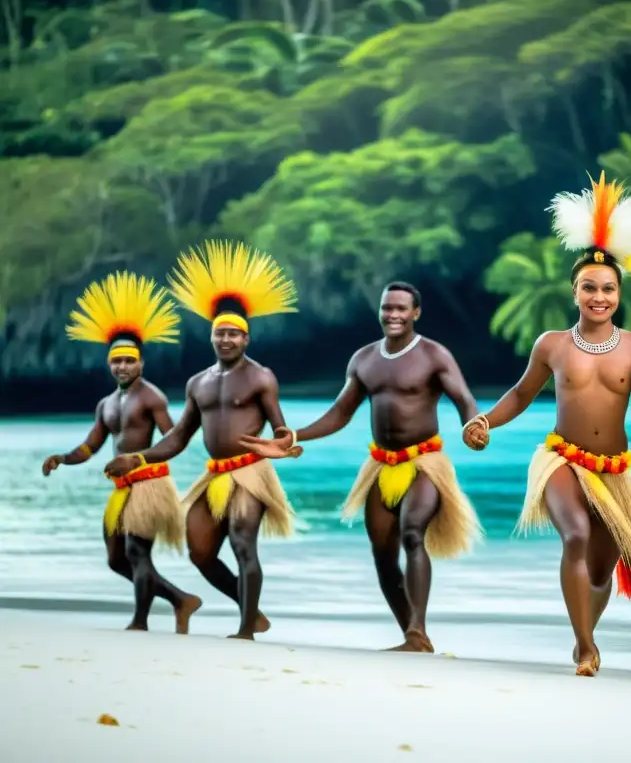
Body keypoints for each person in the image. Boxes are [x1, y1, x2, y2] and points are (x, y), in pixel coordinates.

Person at [462, 172, 631, 677]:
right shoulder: (552, 344)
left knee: (605, 565)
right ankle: (585, 645)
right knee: (575, 539)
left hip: (613, 469)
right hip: (560, 459)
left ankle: (586, 631)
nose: (599, 296)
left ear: (619, 293)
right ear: (575, 291)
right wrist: (483, 421)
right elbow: (522, 394)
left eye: (608, 288)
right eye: (589, 287)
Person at [238, 281, 484, 654]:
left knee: (413, 533)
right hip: (380, 466)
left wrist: (473, 425)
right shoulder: (364, 359)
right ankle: (412, 637)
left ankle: (418, 630)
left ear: (416, 313)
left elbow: (464, 398)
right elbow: (340, 413)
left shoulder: (434, 355)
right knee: (383, 555)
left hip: (424, 463)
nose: (394, 315)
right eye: (388, 308)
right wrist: (293, 437)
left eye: (402, 309)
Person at [104, 240, 301, 640]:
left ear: (246, 339)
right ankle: (253, 612)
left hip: (249, 472)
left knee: (244, 545)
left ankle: (246, 628)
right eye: (219, 334)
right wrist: (138, 459)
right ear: (211, 337)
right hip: (213, 477)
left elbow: (280, 428)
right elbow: (177, 437)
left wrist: (284, 442)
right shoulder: (199, 383)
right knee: (200, 553)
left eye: (233, 334)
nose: (225, 339)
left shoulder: (262, 377)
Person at [42, 271, 202, 634]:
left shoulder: (152, 397)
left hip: (149, 484)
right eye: (117, 361)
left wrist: (140, 458)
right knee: (116, 559)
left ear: (141, 363)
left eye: (129, 361)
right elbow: (92, 445)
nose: (123, 366)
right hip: (121, 489)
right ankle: (180, 600)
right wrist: (64, 458)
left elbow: (175, 438)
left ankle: (140, 622)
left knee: (135, 553)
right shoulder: (106, 404)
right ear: (109, 364)